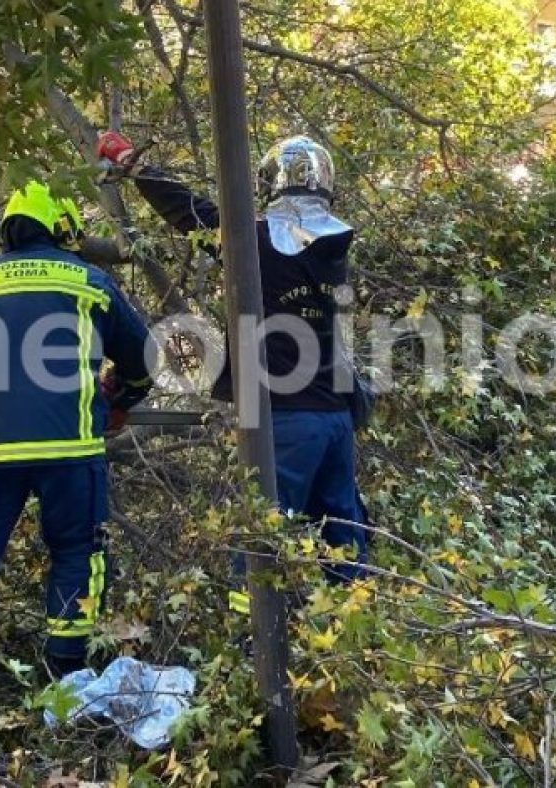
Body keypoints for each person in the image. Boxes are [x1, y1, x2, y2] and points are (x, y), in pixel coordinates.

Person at [96, 132, 369, 610]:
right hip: (334, 421)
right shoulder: (333, 248)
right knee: (343, 542)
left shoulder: (260, 241)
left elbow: (193, 215)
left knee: (260, 545)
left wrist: (134, 165)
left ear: (271, 183)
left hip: (285, 420)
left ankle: (253, 655)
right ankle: (353, 644)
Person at [0, 181, 153, 684]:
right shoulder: (89, 281)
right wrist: (120, 398)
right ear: (64, 225)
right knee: (77, 552)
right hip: (70, 448)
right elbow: (142, 360)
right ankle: (65, 675)